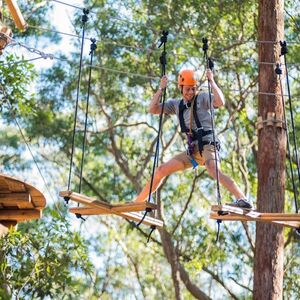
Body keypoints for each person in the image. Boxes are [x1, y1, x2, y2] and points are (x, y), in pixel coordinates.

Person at [133, 69, 252, 209]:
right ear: (180, 88)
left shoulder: (202, 98)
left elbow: (220, 102)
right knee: (160, 171)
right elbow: (152, 109)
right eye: (187, 89)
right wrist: (161, 88)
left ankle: (242, 199)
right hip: (193, 151)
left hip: (208, 144)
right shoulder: (177, 105)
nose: (190, 92)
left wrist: (212, 81)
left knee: (213, 170)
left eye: (193, 89)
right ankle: (137, 203)